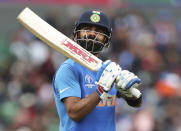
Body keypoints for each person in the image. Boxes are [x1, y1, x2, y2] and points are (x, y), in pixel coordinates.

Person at [53, 10, 142, 131]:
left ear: (107, 40)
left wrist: (130, 93)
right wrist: (101, 90)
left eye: (99, 32)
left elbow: (136, 104)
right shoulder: (69, 68)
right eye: (87, 29)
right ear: (76, 34)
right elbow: (74, 113)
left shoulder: (108, 69)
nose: (92, 34)